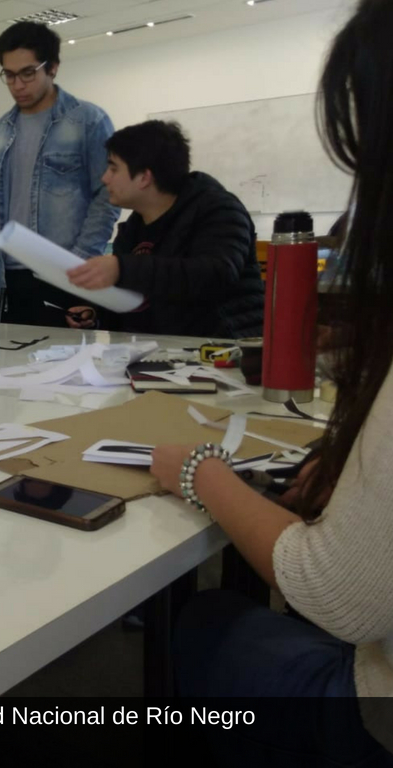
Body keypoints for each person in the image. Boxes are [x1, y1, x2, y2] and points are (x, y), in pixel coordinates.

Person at [149, 1, 392, 762]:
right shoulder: (132, 227)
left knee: (205, 619)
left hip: (373, 713)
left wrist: (198, 471)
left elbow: (337, 595)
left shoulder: (213, 213)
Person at [0, 21, 119, 327]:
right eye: (9, 75)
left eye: (27, 73)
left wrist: (77, 262)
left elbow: (107, 199)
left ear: (52, 68)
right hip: (11, 277)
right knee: (13, 369)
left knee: (70, 369)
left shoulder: (87, 121)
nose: (17, 85)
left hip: (68, 272)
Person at [66, 120, 264, 338]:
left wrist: (122, 269)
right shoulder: (133, 228)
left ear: (144, 177)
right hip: (155, 354)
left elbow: (214, 274)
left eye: (113, 168)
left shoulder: (219, 209)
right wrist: (95, 314)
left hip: (222, 353)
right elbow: (135, 303)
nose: (104, 178)